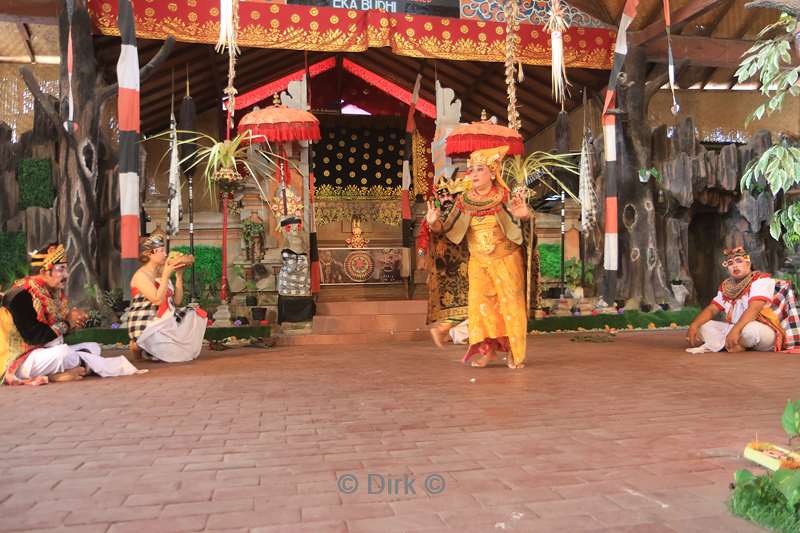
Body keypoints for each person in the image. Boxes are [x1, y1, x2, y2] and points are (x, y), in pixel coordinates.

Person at [426, 145, 532, 369]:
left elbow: (523, 224)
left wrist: (525, 216)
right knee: (481, 309)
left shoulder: (505, 197)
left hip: (507, 259)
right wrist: (433, 222)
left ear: (493, 172)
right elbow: (444, 230)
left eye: (478, 169)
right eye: (470, 170)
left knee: (510, 307)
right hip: (478, 263)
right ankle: (488, 351)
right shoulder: (464, 201)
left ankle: (515, 352)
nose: (472, 174)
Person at [0, 243, 141, 385]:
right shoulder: (21, 295)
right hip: (19, 360)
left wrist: (71, 323)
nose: (66, 275)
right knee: (64, 354)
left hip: (43, 353)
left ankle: (72, 369)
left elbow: (53, 336)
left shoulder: (51, 292)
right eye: (60, 270)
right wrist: (67, 323)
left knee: (94, 348)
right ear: (44, 271)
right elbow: (35, 337)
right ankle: (59, 375)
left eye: (66, 269)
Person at [687, 246, 785, 353]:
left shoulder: (761, 280)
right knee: (702, 326)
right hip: (735, 328)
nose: (735, 266)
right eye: (730, 263)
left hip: (762, 329)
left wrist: (735, 330)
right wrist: (694, 325)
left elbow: (754, 309)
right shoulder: (727, 287)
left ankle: (735, 343)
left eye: (739, 261)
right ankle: (735, 343)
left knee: (750, 331)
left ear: (748, 263)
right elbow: (712, 309)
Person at [128, 233, 207, 362]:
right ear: (149, 254)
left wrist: (179, 277)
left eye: (164, 251)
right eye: (161, 251)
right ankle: (138, 344)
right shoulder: (141, 275)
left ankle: (149, 347)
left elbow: (177, 301)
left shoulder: (162, 271)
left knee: (195, 314)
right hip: (148, 321)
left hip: (166, 319)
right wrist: (165, 276)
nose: (165, 254)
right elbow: (157, 300)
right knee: (167, 356)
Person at [416, 175, 470, 348]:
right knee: (461, 300)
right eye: (442, 196)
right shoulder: (433, 216)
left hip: (465, 261)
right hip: (445, 264)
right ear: (437, 198)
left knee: (466, 301)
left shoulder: (460, 212)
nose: (446, 198)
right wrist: (422, 256)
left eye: (449, 195)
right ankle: (444, 329)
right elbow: (423, 238)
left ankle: (451, 332)